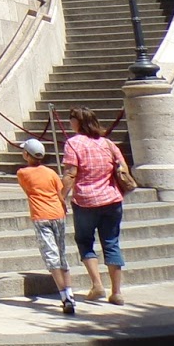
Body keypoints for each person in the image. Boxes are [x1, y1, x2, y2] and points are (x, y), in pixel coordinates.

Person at [62, 107, 130, 305]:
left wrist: (61, 196)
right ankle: (116, 292)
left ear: (78, 122)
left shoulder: (73, 143)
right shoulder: (107, 143)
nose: (69, 122)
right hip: (112, 199)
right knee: (111, 242)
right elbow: (123, 168)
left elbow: (71, 173)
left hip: (86, 200)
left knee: (84, 241)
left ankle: (97, 284)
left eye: (71, 119)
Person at [16, 138, 75, 315]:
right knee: (61, 253)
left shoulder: (22, 173)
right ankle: (69, 293)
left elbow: (28, 191)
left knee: (51, 257)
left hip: (41, 216)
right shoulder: (50, 172)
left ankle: (65, 296)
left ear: (27, 155)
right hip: (58, 213)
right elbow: (60, 193)